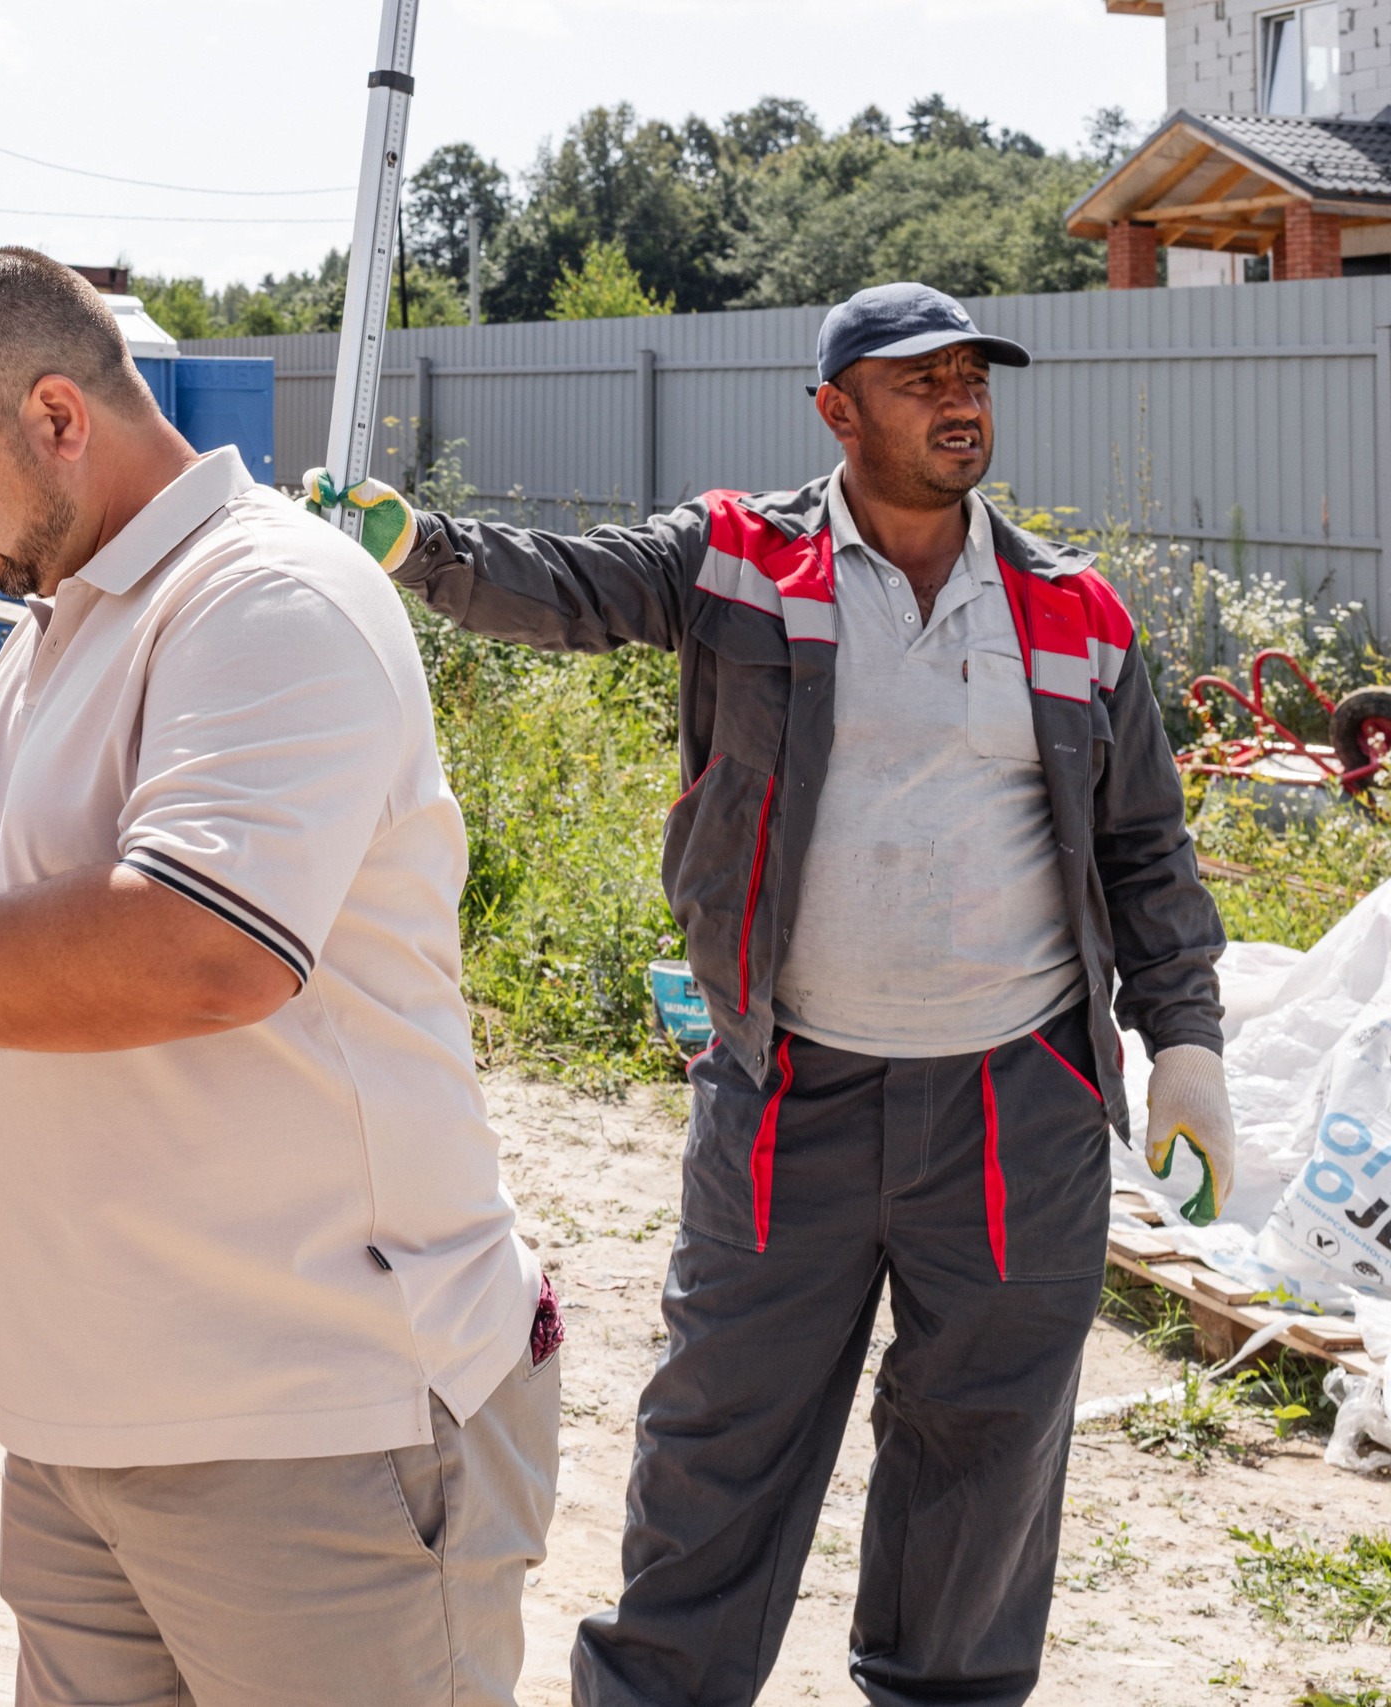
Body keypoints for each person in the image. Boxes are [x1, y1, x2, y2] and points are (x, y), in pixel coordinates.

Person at [304, 280, 1236, 1707]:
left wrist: (1186, 1046)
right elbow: (572, 585)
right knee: (718, 1432)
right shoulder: (743, 562)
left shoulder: (1076, 613)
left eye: (973, 372)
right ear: (836, 408)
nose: (958, 396)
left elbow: (1146, 851)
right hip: (789, 1085)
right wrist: (416, 544)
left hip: (1012, 1107)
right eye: (918, 377)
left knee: (984, 1450)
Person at [0, 247, 560, 1707]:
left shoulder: (268, 598)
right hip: (92, 1426)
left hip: (313, 1427)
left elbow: (200, 947)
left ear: (55, 415)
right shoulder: (63, 631)